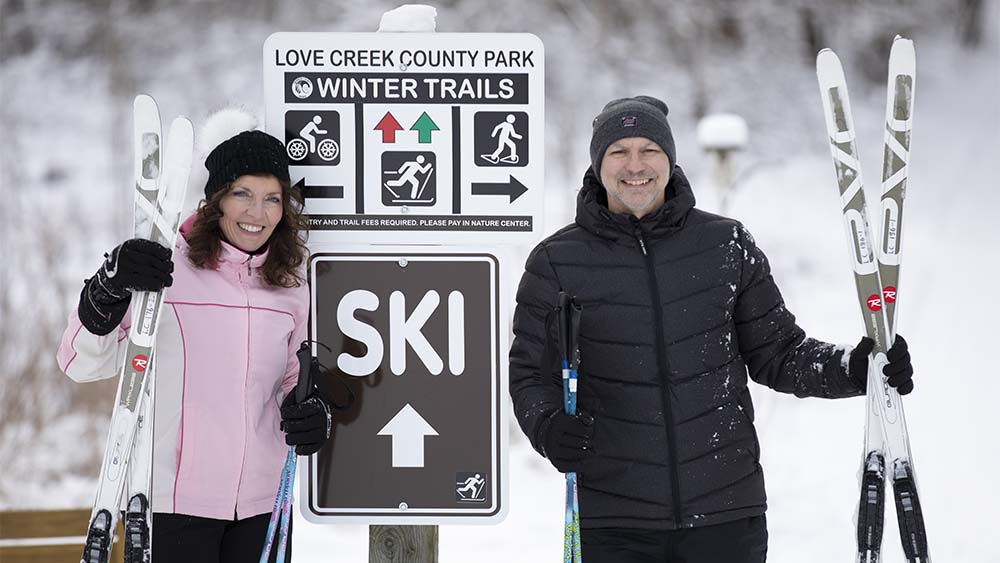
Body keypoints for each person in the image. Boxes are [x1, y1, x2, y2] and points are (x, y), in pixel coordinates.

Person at [508, 95, 915, 563]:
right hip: (615, 520)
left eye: (649, 150)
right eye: (619, 151)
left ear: (670, 159)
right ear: (598, 165)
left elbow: (779, 353)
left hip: (725, 512)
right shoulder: (557, 262)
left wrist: (854, 367)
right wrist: (548, 426)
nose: (635, 165)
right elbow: (529, 376)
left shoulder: (725, 244)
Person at [57, 108, 331, 562]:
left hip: (265, 507)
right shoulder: (167, 270)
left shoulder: (289, 284)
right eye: (242, 193)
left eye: (272, 198)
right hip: (174, 506)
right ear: (216, 199)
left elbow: (290, 378)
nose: (256, 212)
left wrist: (309, 409)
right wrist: (108, 287)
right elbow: (81, 362)